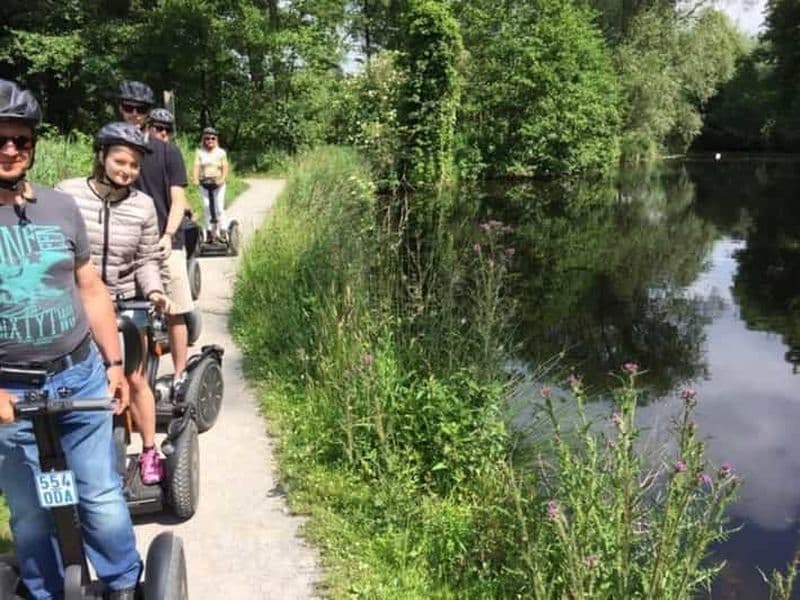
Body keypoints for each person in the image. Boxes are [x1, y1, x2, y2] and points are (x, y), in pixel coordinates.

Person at [0, 79, 141, 599]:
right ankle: (46, 593)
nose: (11, 150)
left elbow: (91, 288)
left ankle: (125, 585)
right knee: (31, 512)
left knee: (100, 496)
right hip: (8, 393)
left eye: (21, 140)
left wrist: (112, 364)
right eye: (0, 139)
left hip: (79, 375)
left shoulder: (60, 207)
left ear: (33, 145)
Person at [56, 122, 173, 484]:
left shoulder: (143, 207)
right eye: (120, 161)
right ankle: (63, 455)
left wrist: (154, 291)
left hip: (126, 302)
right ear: (102, 156)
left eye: (134, 166)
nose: (126, 171)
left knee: (136, 379)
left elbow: (145, 260)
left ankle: (150, 448)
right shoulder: (68, 194)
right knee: (72, 381)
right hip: (77, 302)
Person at [116, 81, 193, 381]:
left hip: (165, 242)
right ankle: (139, 380)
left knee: (175, 310)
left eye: (140, 109)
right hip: (129, 244)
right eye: (128, 107)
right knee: (135, 316)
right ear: (120, 108)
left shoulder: (167, 152)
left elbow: (177, 200)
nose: (134, 113)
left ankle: (179, 374)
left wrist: (168, 235)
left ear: (148, 114)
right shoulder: (114, 150)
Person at [192, 126, 229, 240]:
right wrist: (195, 179)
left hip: (218, 184)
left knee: (218, 208)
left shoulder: (221, 152)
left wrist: (222, 179)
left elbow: (225, 167)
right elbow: (196, 167)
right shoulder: (200, 152)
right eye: (207, 138)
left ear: (216, 139)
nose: (210, 141)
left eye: (212, 138)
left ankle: (222, 231)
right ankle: (209, 232)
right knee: (207, 207)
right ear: (204, 139)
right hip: (205, 184)